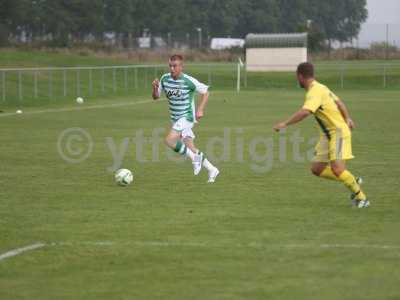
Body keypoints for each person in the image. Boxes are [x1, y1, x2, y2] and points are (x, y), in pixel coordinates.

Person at [273, 62, 369, 208]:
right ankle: (352, 179)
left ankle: (361, 198)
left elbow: (305, 112)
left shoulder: (314, 92)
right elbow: (339, 103)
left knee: (337, 169)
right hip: (327, 135)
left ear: (300, 76)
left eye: (296, 77)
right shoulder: (322, 87)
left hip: (338, 133)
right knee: (317, 169)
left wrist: (285, 124)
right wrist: (347, 117)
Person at [152, 54, 220, 183]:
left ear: (181, 67)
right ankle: (212, 169)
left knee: (169, 140)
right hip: (175, 118)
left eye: (175, 66)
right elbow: (156, 97)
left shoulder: (189, 81)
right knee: (190, 146)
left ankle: (195, 159)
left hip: (186, 117)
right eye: (170, 66)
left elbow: (206, 92)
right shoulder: (165, 79)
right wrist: (155, 88)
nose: (172, 68)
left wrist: (200, 109)